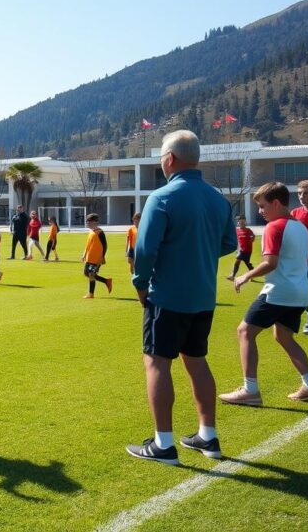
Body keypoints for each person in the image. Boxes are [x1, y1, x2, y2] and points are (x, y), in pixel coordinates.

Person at [126, 130, 237, 466]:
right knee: (197, 360)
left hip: (167, 295)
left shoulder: (162, 197)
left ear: (170, 158)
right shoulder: (218, 199)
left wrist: (140, 283)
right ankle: (208, 435)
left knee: (157, 362)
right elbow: (230, 244)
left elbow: (144, 250)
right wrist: (197, 255)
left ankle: (163, 444)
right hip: (203, 296)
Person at [220, 182, 308, 406]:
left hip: (279, 291)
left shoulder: (275, 227)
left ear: (276, 203)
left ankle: (250, 390)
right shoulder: (300, 226)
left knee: (244, 332)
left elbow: (270, 263)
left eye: (262, 207)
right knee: (283, 336)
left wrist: (246, 276)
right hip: (299, 292)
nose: (260, 212)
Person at [290, 180, 308, 334]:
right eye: (299, 193)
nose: (301, 196)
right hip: (300, 261)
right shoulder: (294, 213)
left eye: (305, 193)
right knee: (301, 290)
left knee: (301, 290)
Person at [81, 214, 112, 299]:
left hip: (96, 259)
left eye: (89, 221)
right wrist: (84, 254)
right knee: (86, 273)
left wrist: (102, 257)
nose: (87, 223)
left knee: (91, 274)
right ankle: (106, 281)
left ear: (95, 222)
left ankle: (91, 294)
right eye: (87, 221)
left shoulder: (100, 233)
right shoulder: (91, 232)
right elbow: (88, 244)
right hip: (89, 257)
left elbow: (105, 246)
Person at [227, 216, 255, 280]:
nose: (241, 222)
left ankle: (232, 276)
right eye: (240, 221)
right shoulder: (237, 231)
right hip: (240, 250)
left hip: (247, 250)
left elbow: (252, 237)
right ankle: (253, 273)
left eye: (243, 221)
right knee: (247, 263)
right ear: (238, 222)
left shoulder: (248, 230)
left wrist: (251, 239)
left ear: (245, 222)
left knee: (237, 261)